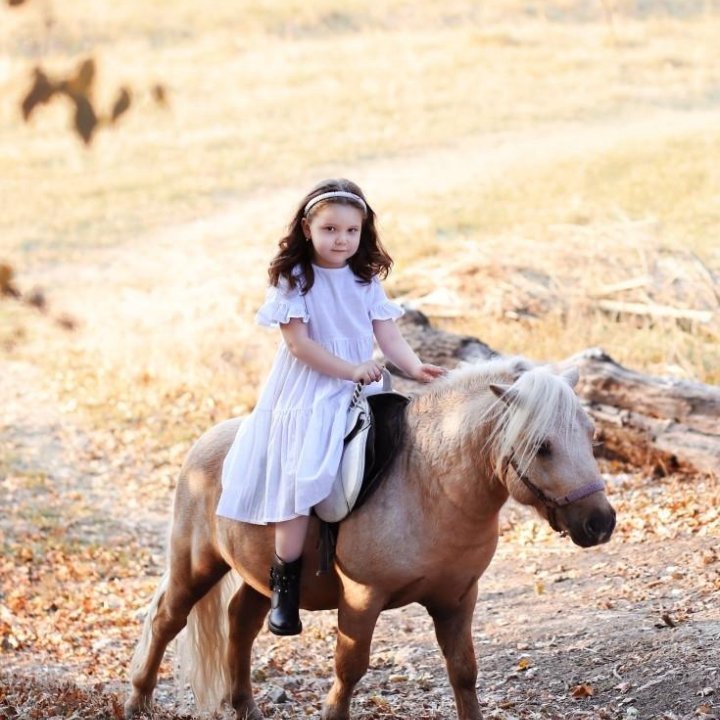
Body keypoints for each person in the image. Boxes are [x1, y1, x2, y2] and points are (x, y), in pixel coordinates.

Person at [216, 178, 445, 636]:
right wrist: (348, 369)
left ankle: (381, 551)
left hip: (361, 387)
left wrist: (414, 367)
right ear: (307, 228)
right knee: (303, 479)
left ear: (363, 233)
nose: (341, 240)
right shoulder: (294, 280)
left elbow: (388, 335)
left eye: (351, 231)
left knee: (393, 462)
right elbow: (299, 346)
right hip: (309, 392)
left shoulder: (364, 280)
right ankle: (285, 585)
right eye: (330, 229)